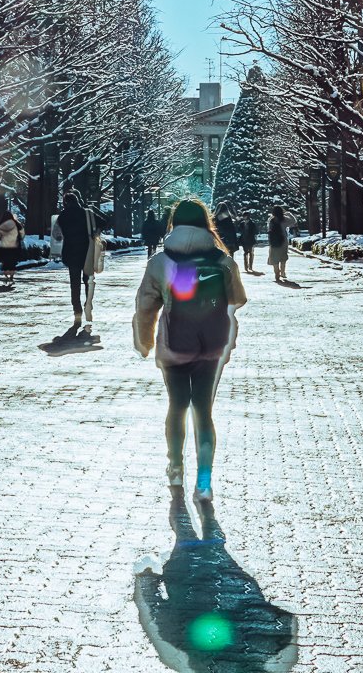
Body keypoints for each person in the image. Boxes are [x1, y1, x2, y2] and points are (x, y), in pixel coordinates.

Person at [134, 198, 247, 502]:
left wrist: (143, 341)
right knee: (204, 412)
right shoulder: (222, 259)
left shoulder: (160, 261)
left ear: (174, 223)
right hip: (211, 347)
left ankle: (175, 468)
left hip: (173, 346)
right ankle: (205, 481)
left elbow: (146, 306)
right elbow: (238, 299)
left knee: (176, 407)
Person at [53, 189, 96, 338]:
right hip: (87, 252)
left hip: (71, 254)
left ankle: (76, 311)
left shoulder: (62, 216)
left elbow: (56, 236)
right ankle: (87, 305)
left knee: (74, 283)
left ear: (65, 202)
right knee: (88, 281)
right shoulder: (86, 213)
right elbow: (103, 222)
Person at [0, 206, 22, 284]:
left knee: (6, 261)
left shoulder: (1, 225)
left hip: (5, 246)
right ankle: (12, 276)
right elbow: (21, 233)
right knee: (12, 261)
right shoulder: (17, 224)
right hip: (14, 245)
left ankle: (6, 276)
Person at [266, 205, 291, 283]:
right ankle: (283, 272)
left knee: (274, 258)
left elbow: (268, 229)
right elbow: (294, 221)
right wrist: (288, 213)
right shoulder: (284, 219)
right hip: (283, 241)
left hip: (273, 242)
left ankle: (277, 273)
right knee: (283, 258)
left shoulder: (271, 220)